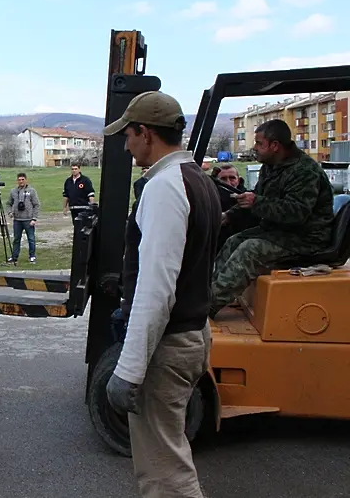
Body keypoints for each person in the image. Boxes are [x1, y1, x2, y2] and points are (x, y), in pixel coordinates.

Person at [102, 91, 222, 498]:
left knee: (165, 475)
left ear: (146, 133)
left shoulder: (165, 187)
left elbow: (156, 290)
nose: (126, 145)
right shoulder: (197, 180)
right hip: (189, 335)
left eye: (128, 135)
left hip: (167, 348)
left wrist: (129, 370)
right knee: (169, 458)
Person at [208, 119, 334, 318]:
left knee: (250, 250)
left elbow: (297, 213)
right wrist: (228, 216)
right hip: (281, 232)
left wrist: (256, 202)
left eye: (259, 144)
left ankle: (207, 307)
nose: (255, 148)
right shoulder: (271, 166)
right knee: (234, 241)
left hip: (307, 238)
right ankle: (211, 296)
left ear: (275, 146)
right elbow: (256, 198)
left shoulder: (304, 171)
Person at [5, 172, 40, 264]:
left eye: (22, 179)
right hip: (17, 220)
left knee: (31, 239)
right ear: (17, 181)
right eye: (19, 180)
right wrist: (9, 212)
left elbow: (36, 205)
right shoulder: (13, 191)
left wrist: (34, 218)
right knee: (16, 239)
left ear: (26, 180)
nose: (21, 181)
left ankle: (32, 256)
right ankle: (14, 256)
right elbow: (8, 203)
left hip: (28, 219)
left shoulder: (31, 191)